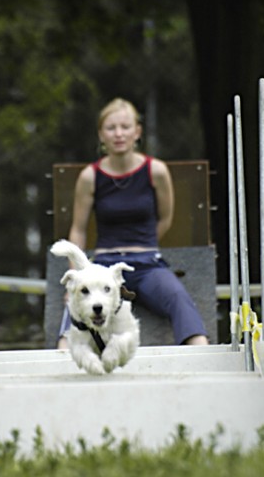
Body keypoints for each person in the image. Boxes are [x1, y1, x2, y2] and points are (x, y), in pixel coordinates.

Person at [57, 97, 208, 348]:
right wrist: (79, 276)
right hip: (104, 265)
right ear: (101, 135)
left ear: (137, 132)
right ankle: (62, 358)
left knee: (179, 298)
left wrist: (142, 244)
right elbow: (78, 230)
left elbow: (166, 219)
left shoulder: (156, 171)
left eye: (125, 127)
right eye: (111, 128)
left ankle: (202, 354)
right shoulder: (90, 176)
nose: (118, 134)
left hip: (148, 264)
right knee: (74, 309)